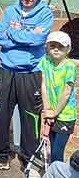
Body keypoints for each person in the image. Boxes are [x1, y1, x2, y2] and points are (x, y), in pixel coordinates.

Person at [0, 0, 54, 178]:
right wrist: (24, 37)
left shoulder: (45, 14)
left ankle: (30, 162)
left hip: (30, 73)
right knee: (1, 115)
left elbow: (38, 39)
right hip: (6, 71)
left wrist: (13, 35)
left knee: (29, 119)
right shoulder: (11, 11)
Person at [39, 31, 77, 163]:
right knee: (52, 147)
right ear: (47, 47)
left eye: (61, 46)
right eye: (52, 45)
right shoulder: (45, 61)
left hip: (65, 116)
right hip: (51, 113)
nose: (56, 49)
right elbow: (43, 86)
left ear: (68, 49)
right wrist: (47, 109)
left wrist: (54, 113)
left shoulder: (70, 66)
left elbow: (66, 93)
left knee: (56, 152)